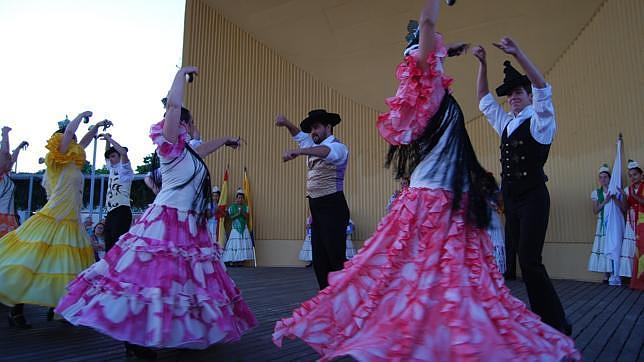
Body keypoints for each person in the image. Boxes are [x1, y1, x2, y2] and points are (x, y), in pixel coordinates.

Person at [273, 1, 579, 360]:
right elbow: (428, 21)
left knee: (438, 274)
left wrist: (474, 59)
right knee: (434, 274)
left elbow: (480, 89)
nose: (439, 55)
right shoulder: (430, 92)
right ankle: (424, 337)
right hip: (435, 197)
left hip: (445, 194)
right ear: (421, 62)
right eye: (435, 52)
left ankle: (431, 336)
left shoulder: (434, 97)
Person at [55, 67, 257, 358]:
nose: (194, 127)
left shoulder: (188, 153)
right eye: (191, 123)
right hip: (167, 221)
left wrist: (225, 139)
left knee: (178, 283)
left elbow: (204, 149)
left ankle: (167, 332)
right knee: (150, 282)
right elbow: (174, 106)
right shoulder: (170, 147)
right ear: (182, 125)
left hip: (187, 225)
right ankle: (135, 338)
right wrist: (181, 75)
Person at [473, 34, 571, 334]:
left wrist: (518, 53)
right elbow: (484, 102)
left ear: (528, 97)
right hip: (511, 200)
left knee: (530, 260)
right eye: (510, 94)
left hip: (533, 198)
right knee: (516, 263)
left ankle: (557, 323)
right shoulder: (507, 123)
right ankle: (540, 317)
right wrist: (483, 64)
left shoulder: (540, 121)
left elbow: (543, 87)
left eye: (518, 93)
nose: (513, 97)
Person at [0, 112, 103, 328]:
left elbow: (82, 141)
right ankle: (16, 311)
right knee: (33, 263)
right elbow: (69, 133)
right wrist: (80, 115)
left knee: (64, 266)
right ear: (60, 143)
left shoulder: (73, 163)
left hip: (70, 221)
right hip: (53, 218)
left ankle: (58, 308)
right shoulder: (57, 161)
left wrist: (96, 129)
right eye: (69, 140)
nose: (73, 142)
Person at [276, 109, 350, 289]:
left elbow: (325, 152)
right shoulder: (312, 143)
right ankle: (326, 299)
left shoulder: (338, 147)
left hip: (333, 207)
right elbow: (300, 136)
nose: (313, 132)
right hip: (316, 209)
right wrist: (286, 123)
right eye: (311, 129)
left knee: (335, 259)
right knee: (319, 260)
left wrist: (299, 152)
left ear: (328, 127)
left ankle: (344, 298)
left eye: (316, 127)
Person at [100, 133, 133, 252]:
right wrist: (106, 142)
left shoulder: (125, 169)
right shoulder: (112, 169)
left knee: (117, 246)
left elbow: (123, 153)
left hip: (121, 210)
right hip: (111, 212)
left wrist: (109, 138)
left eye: (113, 156)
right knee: (109, 245)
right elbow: (107, 156)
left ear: (119, 157)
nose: (110, 159)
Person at [588, 164, 613, 282]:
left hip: (613, 222)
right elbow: (595, 210)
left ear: (609, 178)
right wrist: (605, 201)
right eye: (601, 177)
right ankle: (606, 274)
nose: (603, 180)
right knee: (604, 246)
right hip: (602, 223)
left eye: (605, 177)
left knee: (613, 245)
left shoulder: (614, 190)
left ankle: (614, 272)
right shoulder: (596, 193)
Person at [0, 127, 27, 238]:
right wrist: (5, 133)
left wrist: (19, 148)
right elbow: (5, 152)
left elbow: (12, 159)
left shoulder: (5, 175)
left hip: (8, 216)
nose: (9, 161)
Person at [622, 160, 643, 290]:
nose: (632, 177)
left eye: (635, 174)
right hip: (631, 223)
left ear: (641, 175)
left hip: (642, 222)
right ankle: (634, 279)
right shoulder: (628, 190)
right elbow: (625, 208)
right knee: (633, 252)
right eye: (630, 175)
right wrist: (623, 197)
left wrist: (634, 195)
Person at [222, 188, 254, 266]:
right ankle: (233, 260)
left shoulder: (245, 207)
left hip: (244, 228)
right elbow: (230, 218)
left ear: (243, 199)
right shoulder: (232, 207)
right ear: (236, 198)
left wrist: (242, 212)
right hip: (235, 228)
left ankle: (241, 261)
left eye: (241, 198)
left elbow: (247, 217)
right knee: (235, 244)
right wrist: (238, 214)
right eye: (239, 197)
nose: (240, 199)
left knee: (242, 243)